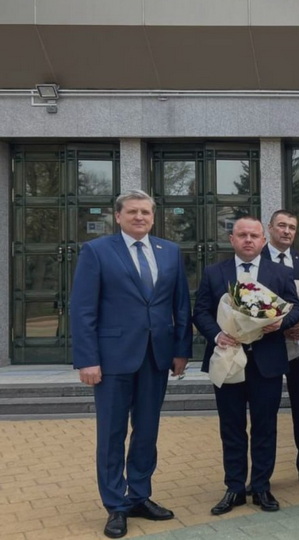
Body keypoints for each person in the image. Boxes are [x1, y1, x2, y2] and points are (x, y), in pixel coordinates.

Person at [71, 189, 192, 539]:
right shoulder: (97, 251)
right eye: (133, 211)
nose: (140, 217)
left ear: (154, 217)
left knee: (147, 431)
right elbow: (83, 309)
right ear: (118, 215)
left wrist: (181, 350)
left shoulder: (169, 252)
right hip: (112, 360)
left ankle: (139, 495)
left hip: (156, 356)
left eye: (146, 212)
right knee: (111, 434)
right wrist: (88, 359)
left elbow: (180, 304)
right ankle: (115, 505)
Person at [193, 216, 299, 516]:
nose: (248, 240)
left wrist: (280, 322)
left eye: (254, 235)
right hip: (228, 359)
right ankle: (235, 488)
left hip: (266, 361)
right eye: (242, 235)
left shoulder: (279, 272)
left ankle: (262, 487)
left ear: (263, 240)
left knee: (265, 426)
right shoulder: (215, 273)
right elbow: (200, 311)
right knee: (231, 427)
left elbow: (296, 307)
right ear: (232, 239)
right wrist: (217, 334)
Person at [262, 210, 299, 489]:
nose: (286, 231)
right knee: (266, 410)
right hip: (268, 346)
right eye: (282, 226)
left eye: (292, 227)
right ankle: (263, 473)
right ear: (270, 228)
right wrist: (280, 325)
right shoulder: (255, 261)